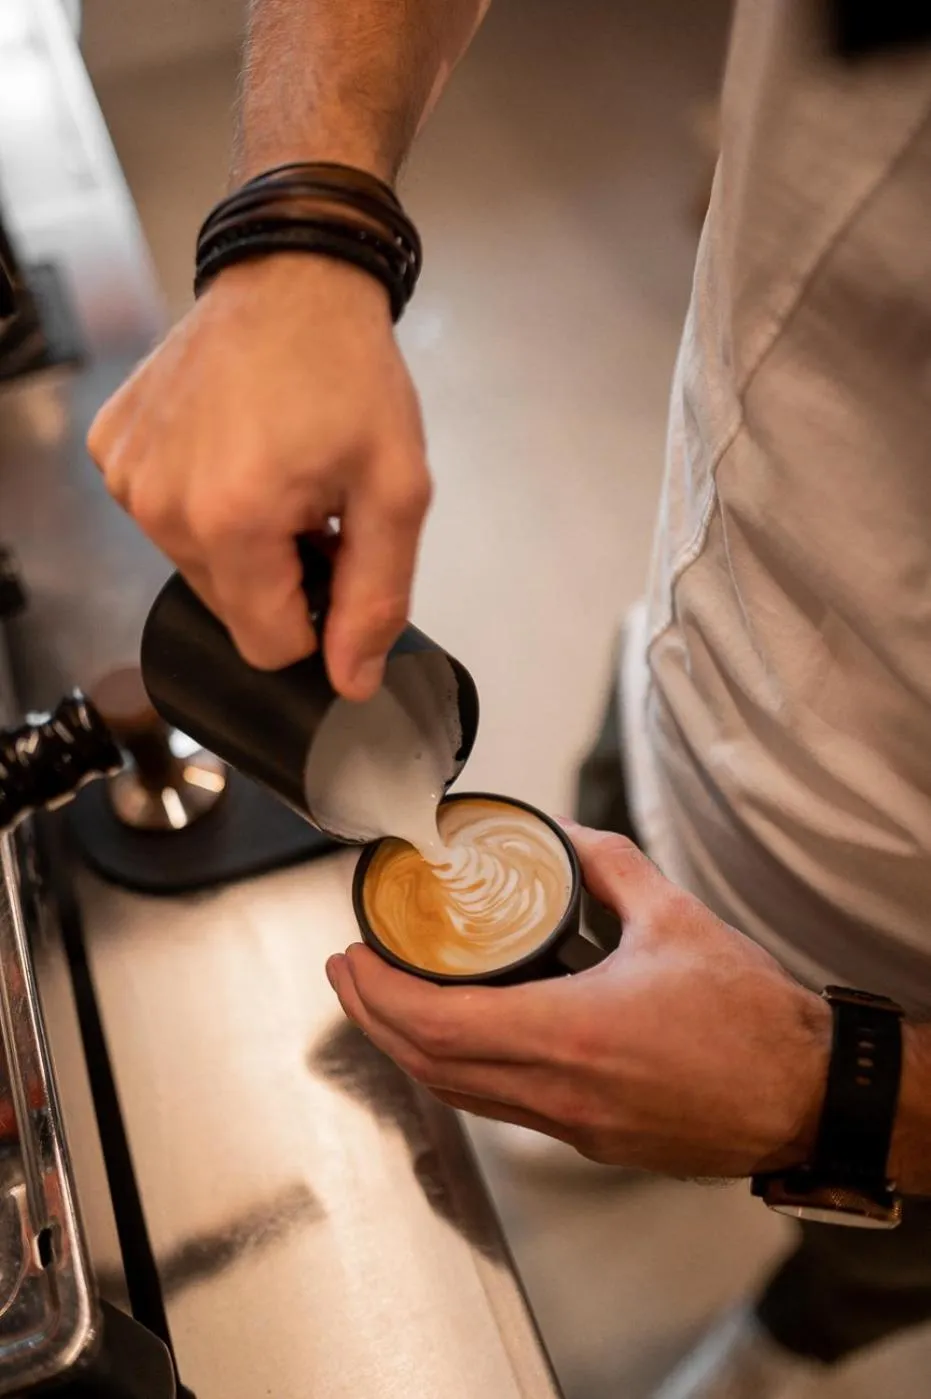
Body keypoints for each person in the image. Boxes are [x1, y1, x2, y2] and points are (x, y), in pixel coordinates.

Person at [88, 2, 931, 1395]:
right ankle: (595, 1098)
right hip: (697, 649)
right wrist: (306, 222)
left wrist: (841, 1094)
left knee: (885, 1248)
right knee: (612, 814)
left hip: (906, 980)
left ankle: (787, 1347)